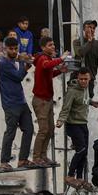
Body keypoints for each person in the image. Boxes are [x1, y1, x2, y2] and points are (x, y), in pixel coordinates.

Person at [0, 36, 35, 171]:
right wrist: (26, 66)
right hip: (10, 103)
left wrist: (25, 60)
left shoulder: (14, 61)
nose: (13, 51)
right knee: (10, 132)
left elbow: (20, 69)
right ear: (5, 49)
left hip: (21, 101)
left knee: (29, 129)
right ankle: (4, 161)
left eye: (15, 49)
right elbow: (18, 77)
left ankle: (23, 159)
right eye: (11, 49)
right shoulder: (4, 64)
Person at [30, 37, 68, 166]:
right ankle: (36, 157)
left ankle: (43, 156)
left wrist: (59, 71)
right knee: (43, 129)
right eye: (50, 45)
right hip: (41, 100)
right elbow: (46, 65)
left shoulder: (47, 58)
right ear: (43, 47)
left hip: (47, 99)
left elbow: (48, 73)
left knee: (50, 129)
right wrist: (61, 59)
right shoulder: (42, 58)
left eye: (53, 44)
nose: (53, 47)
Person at [57, 68, 93, 190]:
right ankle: (70, 175)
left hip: (83, 123)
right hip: (73, 124)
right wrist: (61, 120)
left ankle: (80, 177)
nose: (83, 81)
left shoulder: (86, 88)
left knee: (84, 152)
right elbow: (66, 107)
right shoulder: (72, 91)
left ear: (89, 78)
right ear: (77, 78)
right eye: (81, 79)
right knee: (81, 149)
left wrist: (92, 102)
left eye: (85, 79)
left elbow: (84, 100)